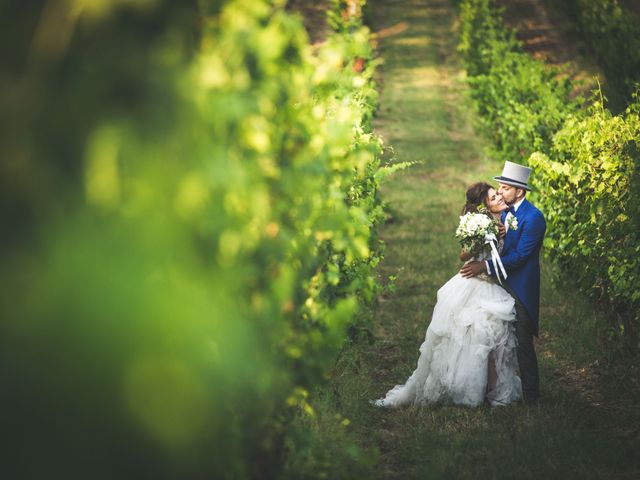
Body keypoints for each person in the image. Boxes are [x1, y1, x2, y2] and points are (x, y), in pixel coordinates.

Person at [371, 182, 522, 408]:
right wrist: (481, 238)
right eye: (493, 198)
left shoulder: (506, 221)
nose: (499, 198)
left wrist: (502, 233)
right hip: (473, 283)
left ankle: (494, 390)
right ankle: (468, 388)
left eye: (498, 194)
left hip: (492, 285)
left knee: (497, 335)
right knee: (478, 333)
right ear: (484, 207)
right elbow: (463, 255)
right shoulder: (480, 223)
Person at [460, 161, 546, 402]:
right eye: (499, 187)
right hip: (498, 285)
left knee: (522, 342)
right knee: (494, 340)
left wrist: (484, 266)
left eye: (505, 188)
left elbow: (520, 257)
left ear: (519, 191)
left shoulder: (534, 217)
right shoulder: (504, 212)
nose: (499, 192)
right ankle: (488, 387)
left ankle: (532, 396)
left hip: (521, 287)